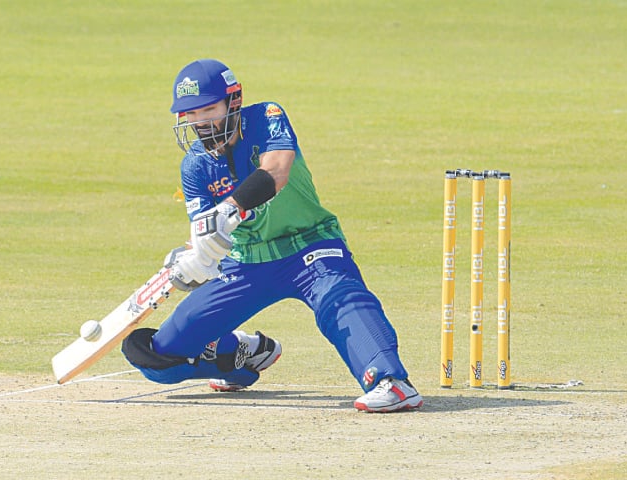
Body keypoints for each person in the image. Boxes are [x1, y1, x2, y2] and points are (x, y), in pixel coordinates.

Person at [121, 59, 422, 413]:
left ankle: (390, 381)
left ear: (232, 102)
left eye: (208, 109)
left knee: (339, 299)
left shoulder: (266, 116)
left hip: (309, 244)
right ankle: (240, 354)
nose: (200, 122)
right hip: (246, 262)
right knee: (160, 357)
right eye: (191, 114)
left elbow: (276, 171)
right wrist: (194, 258)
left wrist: (229, 209)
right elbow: (204, 231)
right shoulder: (194, 166)